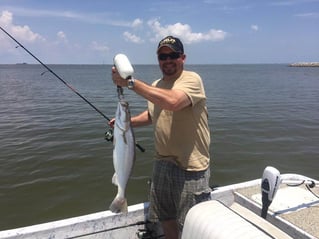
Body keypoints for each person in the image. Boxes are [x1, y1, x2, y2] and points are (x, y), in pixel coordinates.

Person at [111, 36, 211, 239]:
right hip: (162, 164)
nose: (168, 60)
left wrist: (131, 83)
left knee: (193, 225)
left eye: (173, 55)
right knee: (166, 217)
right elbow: (152, 114)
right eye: (162, 56)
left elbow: (173, 102)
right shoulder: (157, 84)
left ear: (183, 57)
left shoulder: (192, 79)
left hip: (190, 167)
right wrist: (125, 124)